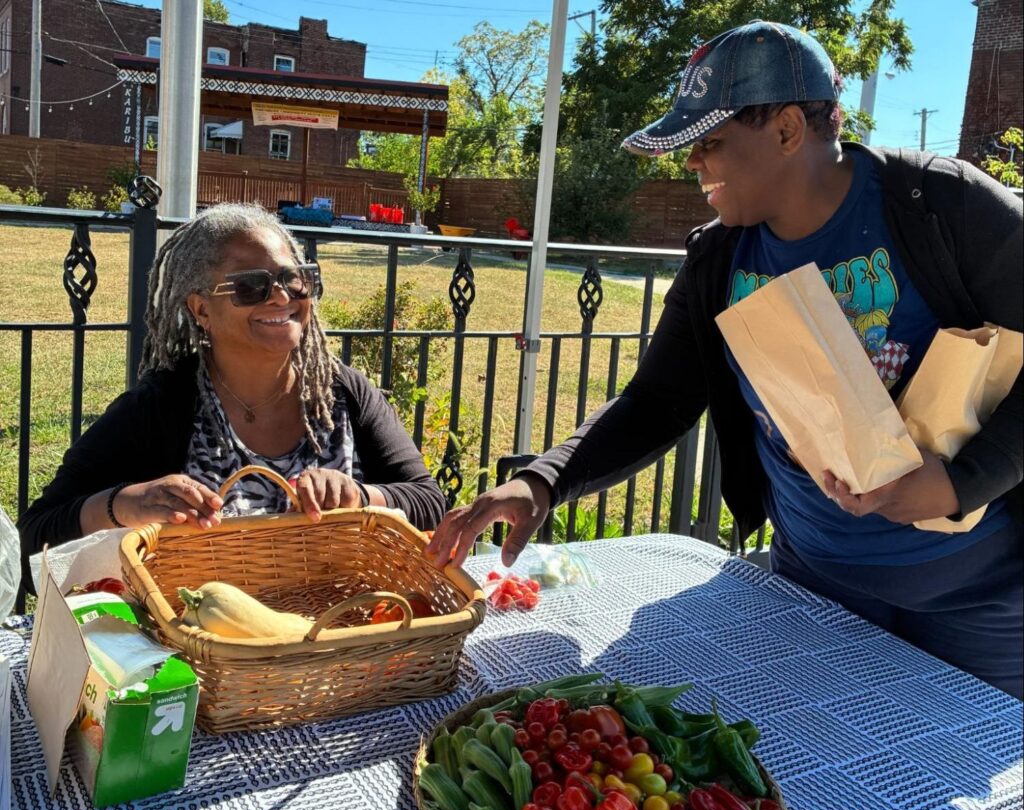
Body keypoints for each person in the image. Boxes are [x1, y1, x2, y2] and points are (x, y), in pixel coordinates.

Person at [427, 21, 1023, 698]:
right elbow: (657, 402)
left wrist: (961, 482)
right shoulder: (720, 256)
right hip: (809, 583)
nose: (691, 162)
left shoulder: (939, 204)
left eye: (710, 141)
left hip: (976, 602)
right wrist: (543, 482)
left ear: (788, 129)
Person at [20, 203, 446, 582]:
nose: (280, 296)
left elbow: (429, 501)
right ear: (201, 309)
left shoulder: (343, 392)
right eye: (250, 286)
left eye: (293, 278)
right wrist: (123, 505)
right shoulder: (159, 407)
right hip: (201, 637)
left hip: (343, 625)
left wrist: (361, 496)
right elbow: (34, 535)